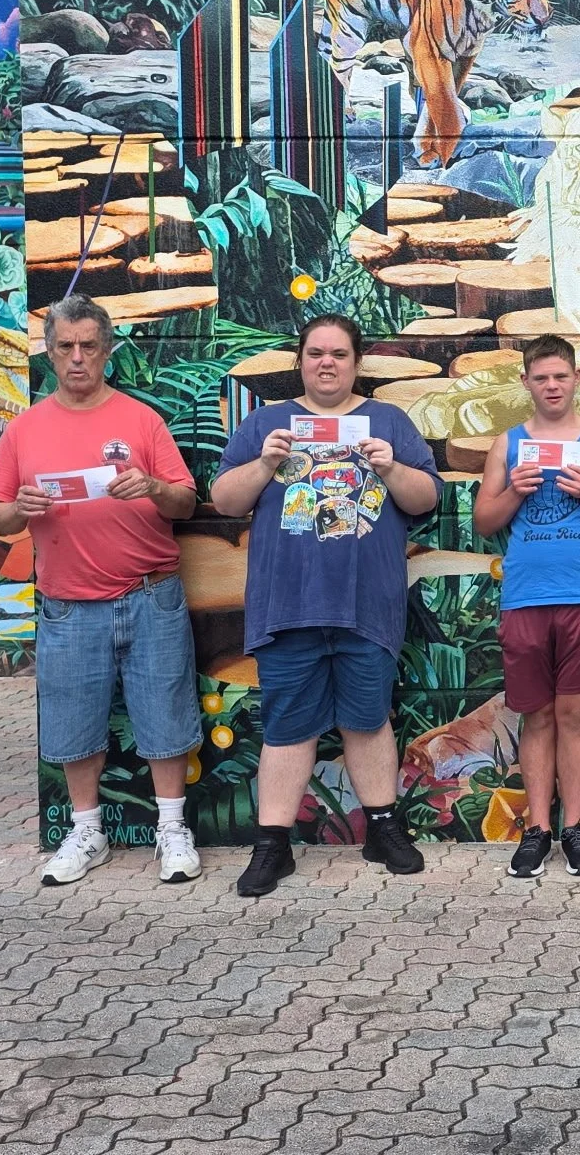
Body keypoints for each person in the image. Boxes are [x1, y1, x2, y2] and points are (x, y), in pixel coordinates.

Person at [212, 315, 441, 898]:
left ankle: (383, 828)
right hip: (288, 605)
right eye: (316, 353)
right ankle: (273, 845)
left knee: (368, 719)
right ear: (300, 360)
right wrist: (264, 464)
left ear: (356, 362)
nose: (327, 363)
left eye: (338, 354)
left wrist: (390, 467)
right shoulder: (266, 423)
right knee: (287, 725)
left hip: (367, 604)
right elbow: (224, 500)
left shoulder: (388, 422)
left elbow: (426, 498)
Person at [0, 294, 203, 887]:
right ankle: (86, 832)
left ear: (106, 351)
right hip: (68, 602)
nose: (77, 357)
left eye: (88, 346)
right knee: (73, 720)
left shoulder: (142, 420)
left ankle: (172, 829)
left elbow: (185, 502)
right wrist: (20, 508)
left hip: (151, 594)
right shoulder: (24, 429)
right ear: (50, 354)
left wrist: (152, 486)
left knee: (165, 713)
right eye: (65, 347)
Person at [471, 335, 580, 880]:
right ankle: (537, 829)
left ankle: (575, 828)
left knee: (573, 715)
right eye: (541, 377)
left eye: (560, 376)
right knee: (536, 715)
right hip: (525, 597)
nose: (552, 386)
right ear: (526, 382)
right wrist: (514, 491)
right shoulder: (509, 443)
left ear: (576, 379)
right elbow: (484, 522)